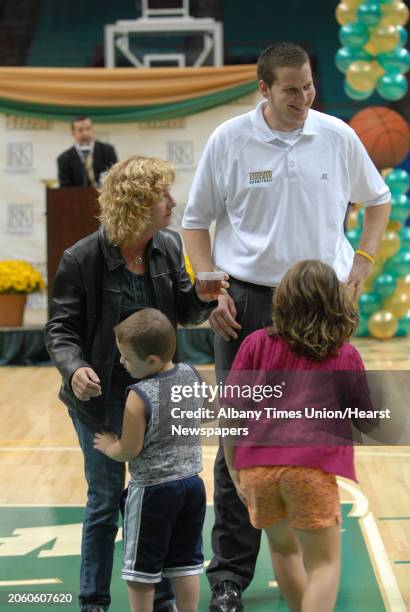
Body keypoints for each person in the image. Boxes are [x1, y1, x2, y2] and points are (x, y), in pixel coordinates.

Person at [182, 42, 391, 611]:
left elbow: (378, 201)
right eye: (291, 89)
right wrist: (210, 285)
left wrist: (363, 265)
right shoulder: (228, 139)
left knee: (315, 433)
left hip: (321, 301)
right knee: (239, 437)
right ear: (264, 90)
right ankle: (228, 576)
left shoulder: (337, 135)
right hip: (247, 302)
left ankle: (305, 552)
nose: (304, 98)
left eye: (308, 86)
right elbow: (196, 223)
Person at [45, 155, 223, 612]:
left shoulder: (165, 245)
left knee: (158, 497)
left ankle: (160, 598)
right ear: (138, 203)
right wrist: (74, 368)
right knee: (105, 502)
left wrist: (203, 301)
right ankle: (94, 602)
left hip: (157, 399)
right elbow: (60, 331)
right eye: (163, 195)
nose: (172, 202)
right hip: (99, 399)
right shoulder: (81, 258)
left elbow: (181, 312)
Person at [222, 260, 375, 612]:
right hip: (309, 470)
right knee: (324, 563)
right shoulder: (345, 354)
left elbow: (231, 412)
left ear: (283, 300)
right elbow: (366, 421)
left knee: (283, 550)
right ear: (335, 303)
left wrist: (234, 469)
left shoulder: (256, 343)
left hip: (257, 470)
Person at [93, 308, 206, 612]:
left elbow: (129, 449)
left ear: (152, 361)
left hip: (153, 492)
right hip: (193, 485)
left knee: (140, 572)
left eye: (127, 358)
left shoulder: (138, 394)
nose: (121, 362)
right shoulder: (191, 374)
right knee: (186, 563)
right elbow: (208, 411)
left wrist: (108, 447)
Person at [57, 115, 118, 188]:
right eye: (80, 130)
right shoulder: (64, 159)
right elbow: (64, 189)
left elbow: (116, 180)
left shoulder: (108, 151)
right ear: (73, 133)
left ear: (92, 130)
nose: (85, 133)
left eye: (88, 129)